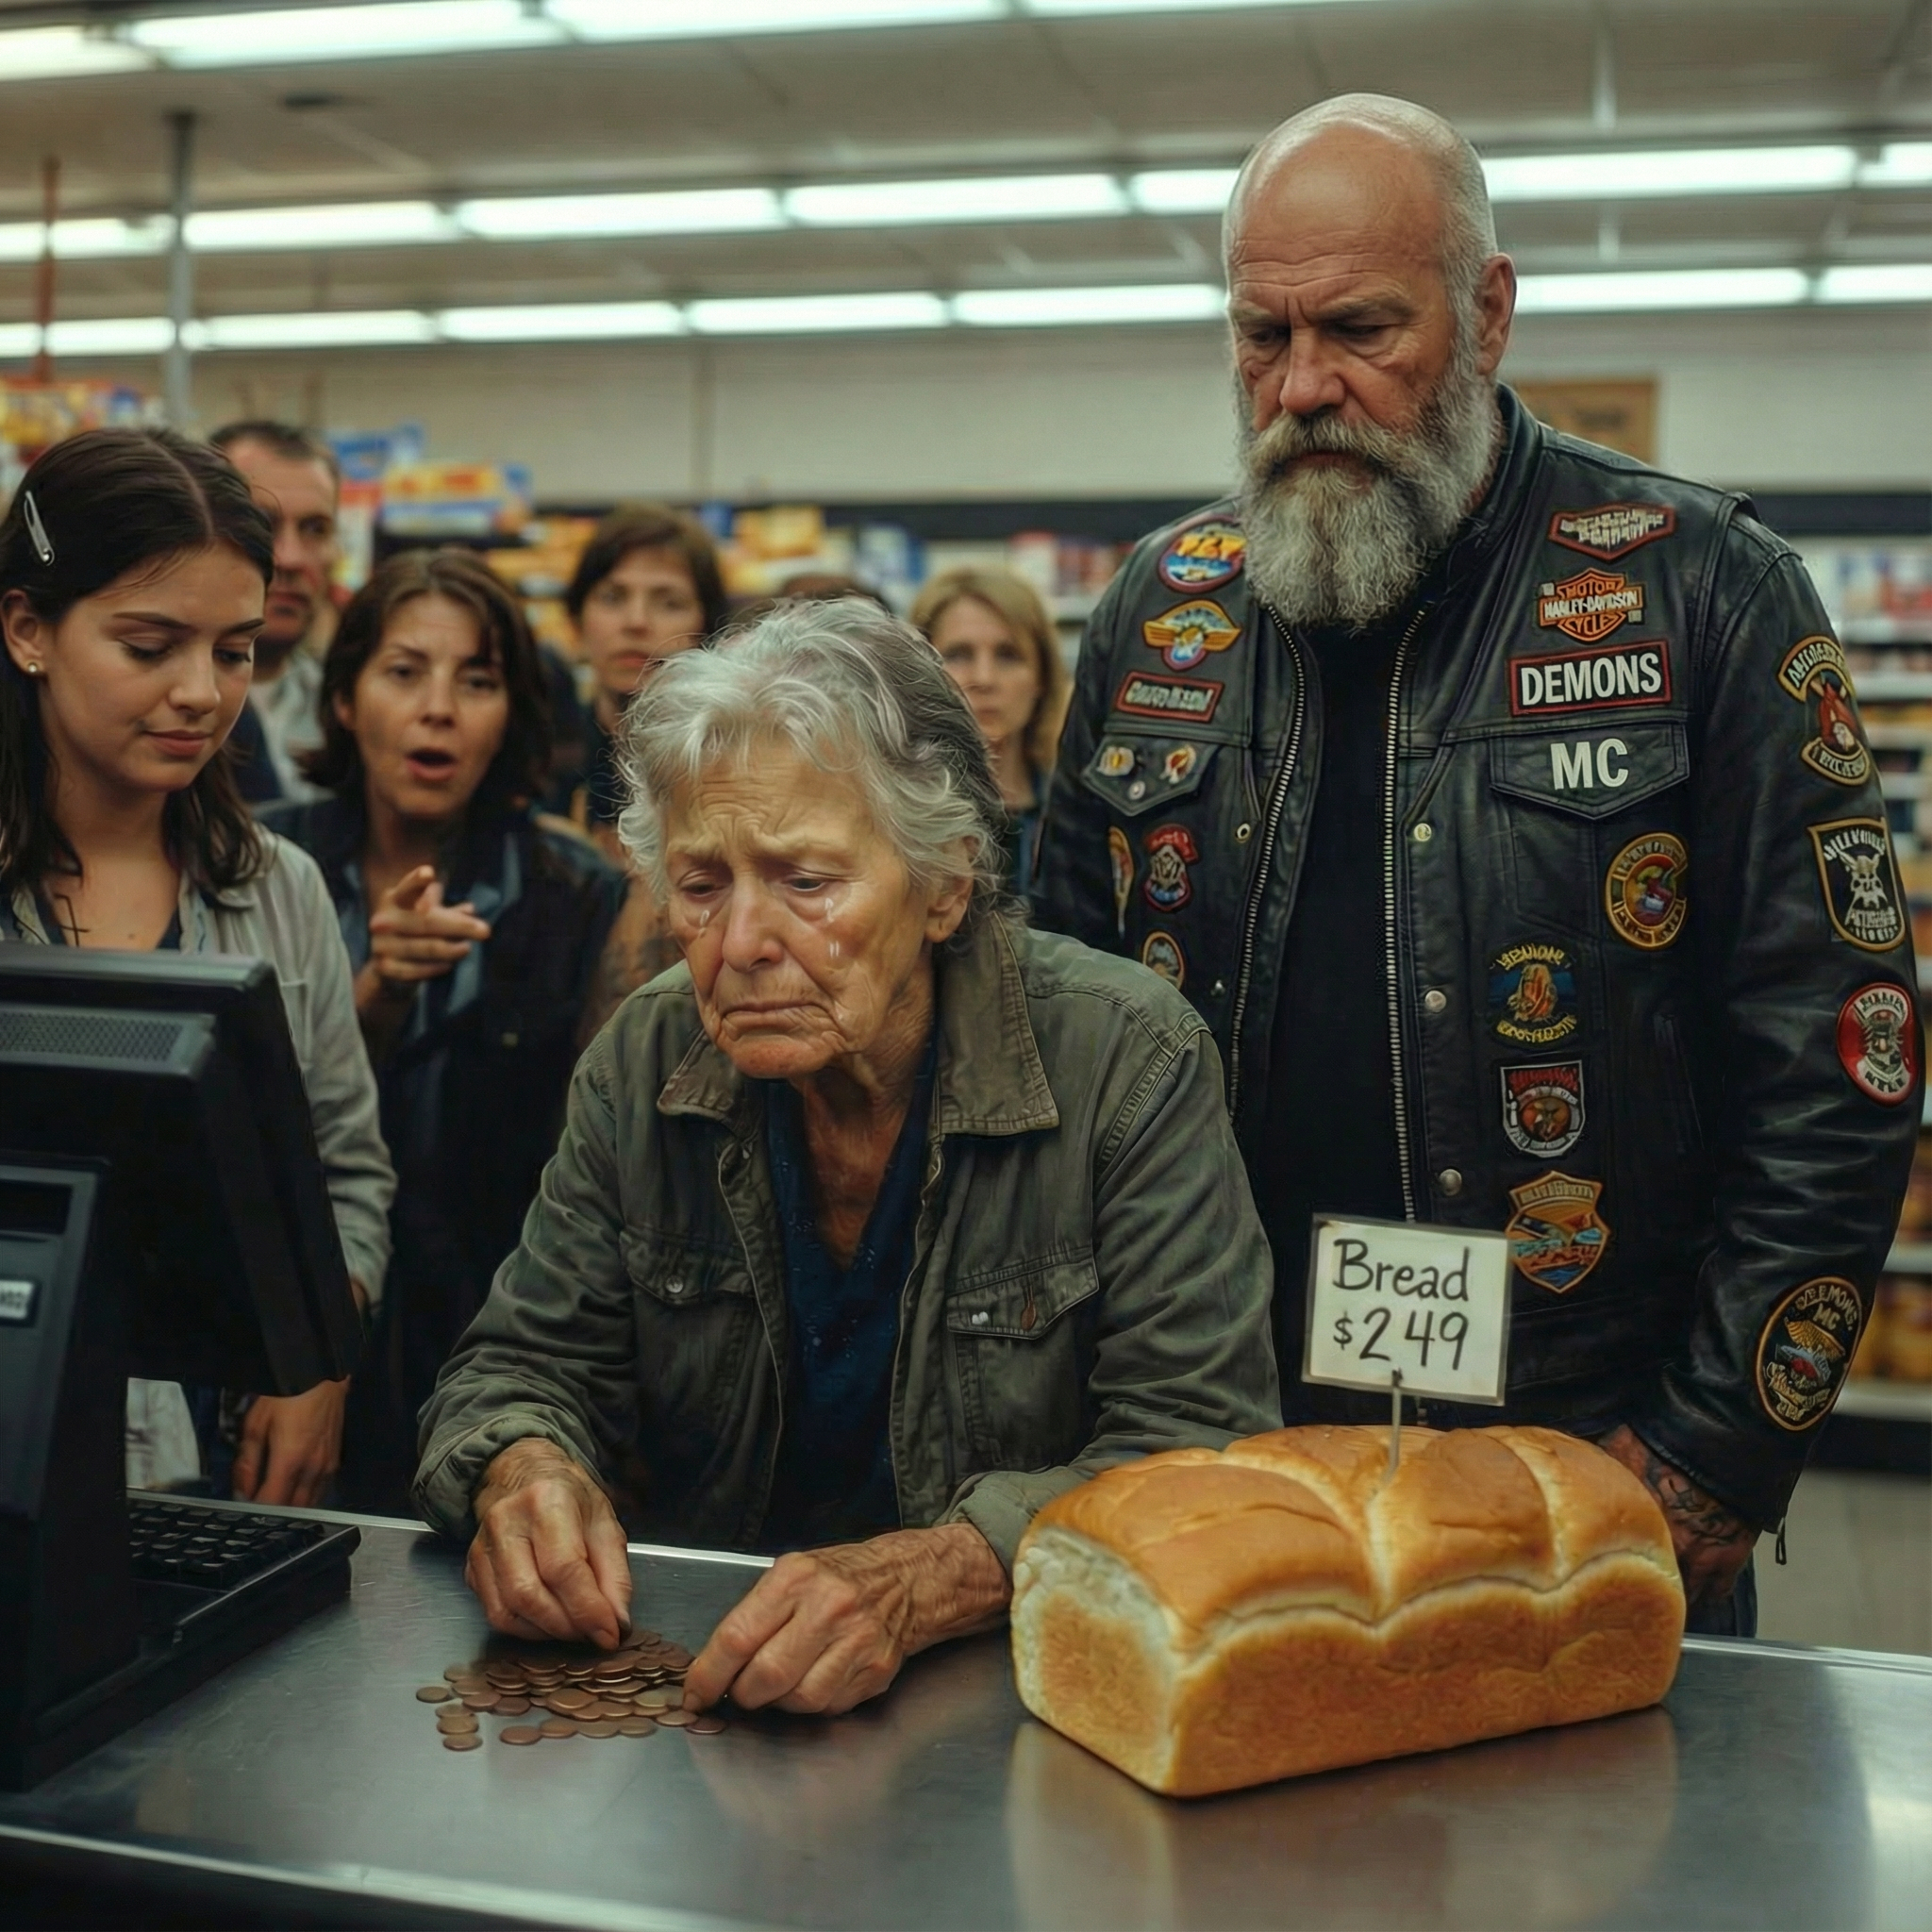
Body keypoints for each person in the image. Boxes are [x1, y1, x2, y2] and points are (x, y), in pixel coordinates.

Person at [1032, 92, 1920, 1638]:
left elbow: (1833, 1067)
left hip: (1580, 1447)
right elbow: (1051, 1022)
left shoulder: (1705, 591)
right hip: (1219, 1434)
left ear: (1488, 309)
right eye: (1260, 335)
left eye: (1362, 329)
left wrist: (1709, 1454)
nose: (1302, 386)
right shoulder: (1153, 616)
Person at [414, 599, 1278, 1714]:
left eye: (806, 881)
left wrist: (935, 1572)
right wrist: (520, 1466)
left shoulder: (1125, 1058)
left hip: (1027, 1702)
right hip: (704, 1696)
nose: (739, 944)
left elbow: (1201, 1452)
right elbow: (512, 1366)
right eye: (701, 883)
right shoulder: (646, 1055)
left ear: (945, 884)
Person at [0, 426, 393, 1503]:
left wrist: (321, 1351)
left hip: (219, 1475)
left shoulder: (279, 889)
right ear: (29, 627)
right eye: (148, 645)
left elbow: (345, 1167)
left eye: (232, 650)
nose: (199, 694)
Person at [263, 548, 635, 1514]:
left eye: (477, 680)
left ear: (510, 712)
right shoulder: (261, 863)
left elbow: (586, 1168)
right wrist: (376, 990)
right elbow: (258, 1125)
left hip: (489, 1355)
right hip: (281, 1349)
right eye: (403, 671)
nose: (439, 707)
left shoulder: (571, 896)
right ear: (344, 699)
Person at [558, 503, 729, 861]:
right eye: (612, 597)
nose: (636, 622)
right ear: (576, 622)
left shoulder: (736, 764)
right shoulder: (538, 769)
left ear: (706, 629)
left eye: (669, 603)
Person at [913, 569, 1069, 901]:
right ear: (919, 672)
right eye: (958, 655)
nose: (984, 678)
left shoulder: (1078, 813)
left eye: (1008, 656)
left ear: (1041, 676)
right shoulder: (894, 815)